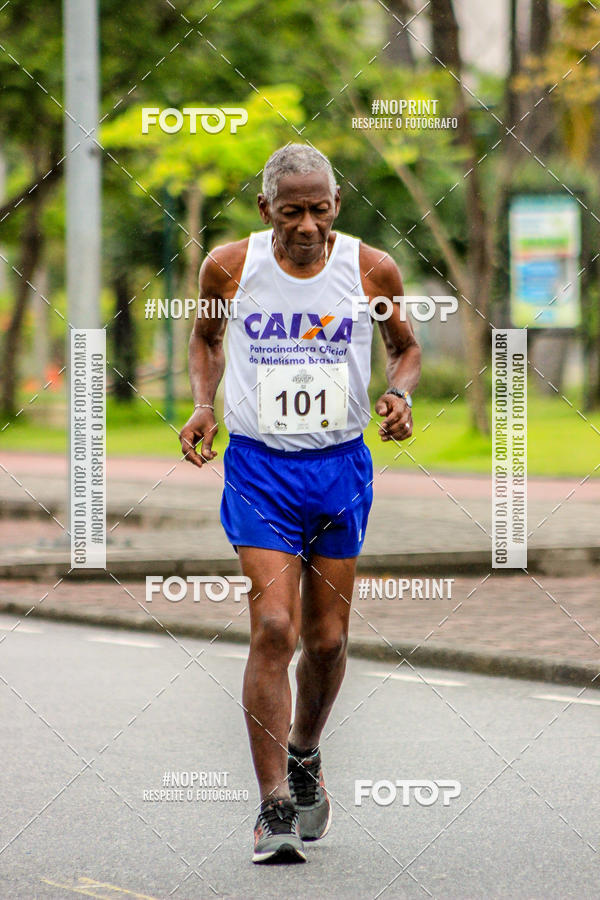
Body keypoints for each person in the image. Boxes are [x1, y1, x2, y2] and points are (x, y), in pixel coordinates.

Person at [179, 144, 421, 864]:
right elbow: (205, 339)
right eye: (292, 212)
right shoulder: (229, 267)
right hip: (259, 468)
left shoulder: (371, 269)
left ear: (337, 204)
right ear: (266, 210)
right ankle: (274, 806)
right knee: (275, 627)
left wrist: (399, 393)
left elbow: (405, 348)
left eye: (320, 210)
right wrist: (204, 404)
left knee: (327, 641)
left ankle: (305, 750)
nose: (308, 225)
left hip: (340, 468)